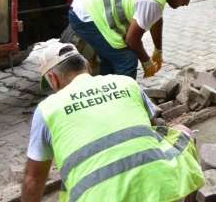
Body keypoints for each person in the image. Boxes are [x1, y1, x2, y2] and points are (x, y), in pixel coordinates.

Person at [21, 42, 205, 202]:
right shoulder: (126, 83)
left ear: (53, 79)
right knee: (182, 131)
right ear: (88, 66)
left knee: (73, 185)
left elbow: (33, 179)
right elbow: (155, 130)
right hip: (160, 192)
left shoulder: (47, 110)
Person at [69, 0, 200, 79]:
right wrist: (146, 62)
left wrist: (158, 51)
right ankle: (125, 103)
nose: (187, 4)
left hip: (88, 6)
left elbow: (156, 18)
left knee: (111, 58)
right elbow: (131, 40)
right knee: (127, 59)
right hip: (87, 17)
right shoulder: (151, 0)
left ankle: (106, 96)